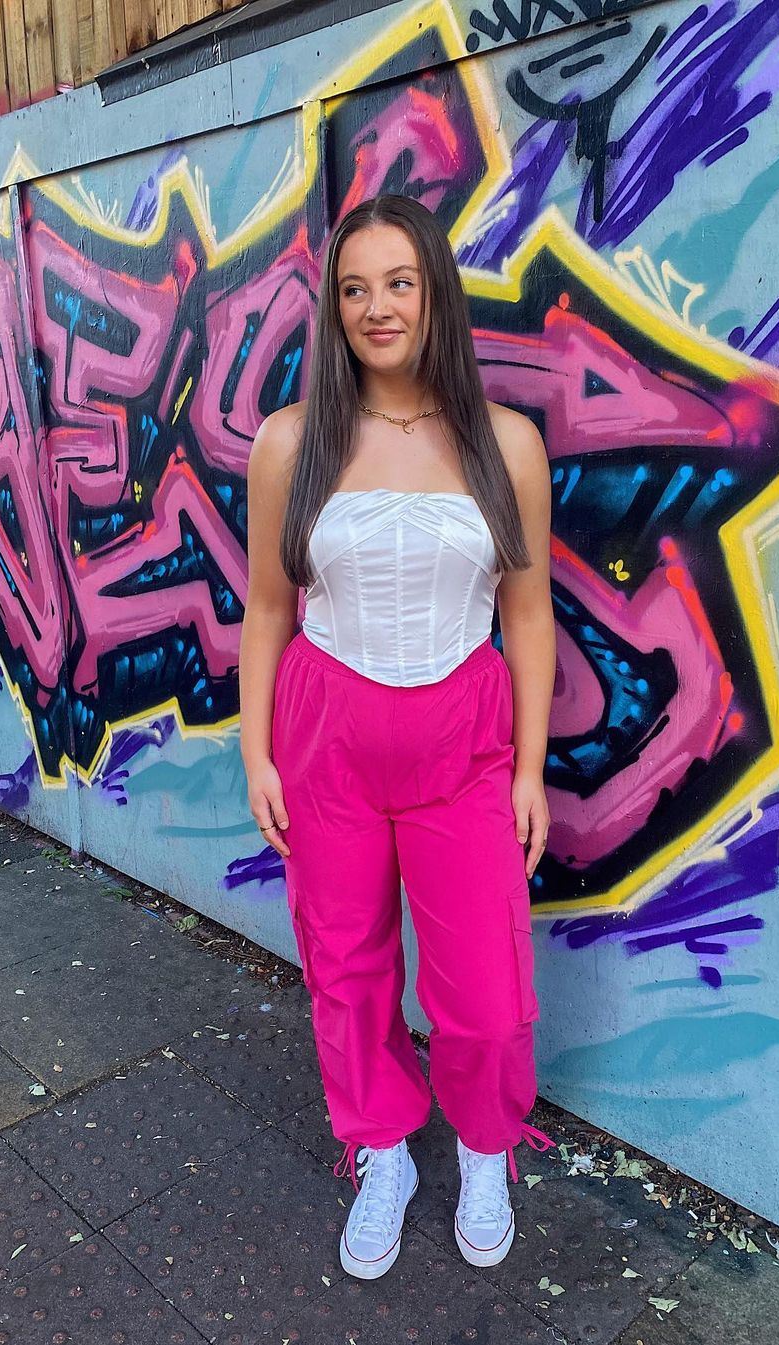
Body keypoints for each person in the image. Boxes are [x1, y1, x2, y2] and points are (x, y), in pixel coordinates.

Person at [240, 193, 557, 1281]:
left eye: (399, 283)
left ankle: (483, 1147)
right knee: (347, 968)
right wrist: (256, 753)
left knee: (486, 989)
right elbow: (268, 610)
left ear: (435, 295)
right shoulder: (292, 442)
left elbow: (527, 616)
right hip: (325, 738)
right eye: (354, 287)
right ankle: (382, 1150)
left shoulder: (506, 443)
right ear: (334, 307)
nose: (377, 307)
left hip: (464, 741)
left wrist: (530, 770)